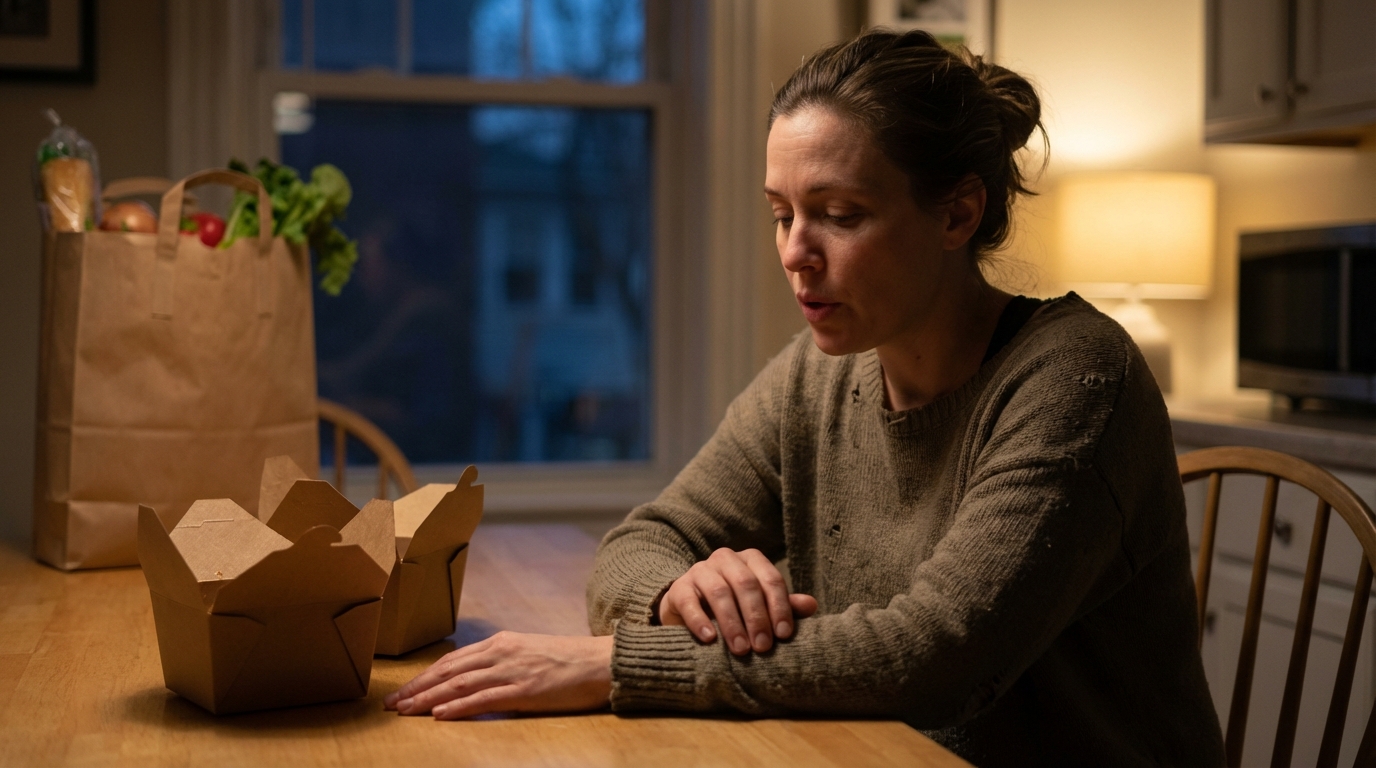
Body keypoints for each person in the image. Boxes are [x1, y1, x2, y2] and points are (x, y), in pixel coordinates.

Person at [386, 29, 1226, 766]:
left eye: (839, 214)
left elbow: (933, 658)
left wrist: (614, 666)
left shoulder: (1078, 378)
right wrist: (680, 594)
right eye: (781, 213)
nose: (795, 252)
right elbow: (642, 542)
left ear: (958, 213)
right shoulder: (817, 373)